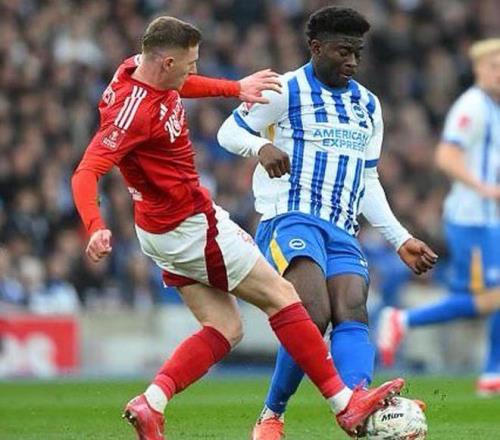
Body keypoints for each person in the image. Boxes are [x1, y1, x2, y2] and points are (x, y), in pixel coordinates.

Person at [71, 16, 405, 440]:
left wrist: (234, 88)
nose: (194, 70)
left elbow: (180, 85)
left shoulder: (140, 68)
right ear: (167, 62)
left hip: (159, 231)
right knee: (284, 298)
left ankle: (151, 403)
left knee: (225, 328)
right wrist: (95, 225)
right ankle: (344, 404)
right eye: (190, 63)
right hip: (191, 226)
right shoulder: (132, 113)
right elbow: (86, 172)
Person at [217, 6, 437, 439]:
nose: (352, 61)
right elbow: (229, 131)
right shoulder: (284, 89)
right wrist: (260, 148)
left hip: (342, 226)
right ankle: (271, 415)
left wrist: (399, 238)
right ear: (316, 48)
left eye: (357, 53)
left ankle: (358, 402)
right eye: (343, 52)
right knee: (313, 313)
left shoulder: (367, 105)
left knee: (352, 308)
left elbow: (367, 178)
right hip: (291, 218)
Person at [377, 38, 500, 397]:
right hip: (472, 218)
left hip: (488, 218)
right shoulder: (472, 106)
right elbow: (446, 155)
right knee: (491, 298)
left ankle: (493, 371)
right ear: (478, 70)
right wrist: (484, 187)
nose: (499, 73)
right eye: (493, 66)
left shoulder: (493, 108)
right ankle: (403, 319)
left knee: (486, 297)